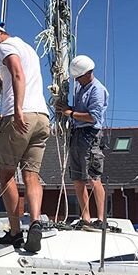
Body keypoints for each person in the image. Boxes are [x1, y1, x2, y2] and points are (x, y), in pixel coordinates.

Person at [0, 16, 50, 253]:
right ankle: (35, 222)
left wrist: (17, 109)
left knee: (6, 174)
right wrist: (3, 81)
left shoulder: (6, 47)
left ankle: (16, 232)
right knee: (32, 176)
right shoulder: (27, 47)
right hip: (42, 117)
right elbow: (16, 74)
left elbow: (18, 74)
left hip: (20, 116)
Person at [56, 55, 109, 229]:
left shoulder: (97, 90)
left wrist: (70, 113)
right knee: (78, 178)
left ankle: (101, 219)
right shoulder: (81, 88)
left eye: (78, 76)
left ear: (87, 73)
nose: (76, 80)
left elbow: (93, 117)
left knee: (93, 177)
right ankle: (85, 218)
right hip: (77, 134)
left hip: (90, 135)